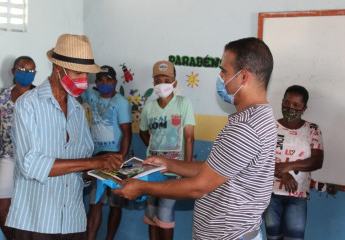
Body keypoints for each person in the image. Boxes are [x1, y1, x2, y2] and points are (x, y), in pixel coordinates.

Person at [114, 37, 277, 240]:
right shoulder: (261, 116)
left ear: (244, 76)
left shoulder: (246, 127)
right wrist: (169, 165)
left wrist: (142, 187)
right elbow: (215, 168)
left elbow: (199, 186)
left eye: (224, 71)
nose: (220, 76)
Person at [4, 34, 123, 239]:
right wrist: (92, 161)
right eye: (78, 73)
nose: (83, 81)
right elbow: (30, 165)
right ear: (58, 69)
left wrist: (105, 169)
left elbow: (81, 170)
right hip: (36, 221)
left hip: (72, 222)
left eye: (86, 75)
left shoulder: (77, 111)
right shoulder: (28, 104)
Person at [139, 60, 195, 240]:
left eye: (166, 79)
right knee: (151, 214)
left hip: (174, 170)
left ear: (174, 82)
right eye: (158, 80)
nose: (162, 83)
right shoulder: (149, 107)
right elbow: (142, 132)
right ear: (153, 83)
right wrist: (153, 150)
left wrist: (185, 169)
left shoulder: (183, 103)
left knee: (165, 215)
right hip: (151, 169)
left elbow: (189, 137)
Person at [0, 56, 36, 240]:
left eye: (31, 71)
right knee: (0, 208)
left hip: (34, 159)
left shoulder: (39, 96)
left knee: (31, 209)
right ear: (13, 71)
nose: (26, 74)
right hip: (8, 157)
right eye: (22, 69)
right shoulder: (2, 95)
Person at [264, 85, 324, 240]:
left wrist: (288, 166)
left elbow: (317, 161)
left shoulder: (312, 129)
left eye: (296, 105)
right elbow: (262, 160)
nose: (290, 108)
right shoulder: (270, 127)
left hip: (297, 195)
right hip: (271, 194)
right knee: (273, 237)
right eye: (287, 102)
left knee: (295, 238)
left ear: (304, 108)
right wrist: (283, 175)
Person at [81, 65, 132, 240]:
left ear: (115, 82)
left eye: (108, 80)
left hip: (117, 156)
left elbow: (127, 132)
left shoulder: (122, 103)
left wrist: (121, 157)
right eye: (100, 80)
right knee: (95, 202)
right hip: (97, 157)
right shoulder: (90, 96)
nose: (104, 83)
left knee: (115, 203)